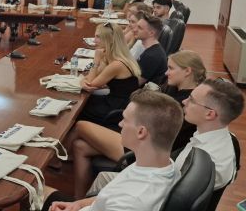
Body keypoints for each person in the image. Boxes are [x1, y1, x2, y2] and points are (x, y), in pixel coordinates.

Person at [70, 50, 206, 197]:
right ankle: (79, 198)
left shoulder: (186, 103)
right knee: (80, 146)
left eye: (171, 68)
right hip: (140, 136)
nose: (167, 73)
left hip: (144, 149)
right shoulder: (173, 87)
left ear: (187, 71)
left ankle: (57, 157)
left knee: (81, 125)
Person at [44, 90, 184, 211]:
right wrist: (78, 204)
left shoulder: (131, 202)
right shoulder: (164, 165)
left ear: (141, 132)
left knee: (34, 191)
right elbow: (109, 197)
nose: (120, 124)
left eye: (125, 120)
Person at [78, 23, 141, 130]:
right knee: (84, 103)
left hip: (117, 108)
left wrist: (96, 60)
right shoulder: (113, 57)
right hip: (116, 101)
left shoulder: (117, 64)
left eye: (98, 37)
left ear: (110, 40)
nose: (94, 40)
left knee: (79, 110)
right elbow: (91, 79)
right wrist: (85, 80)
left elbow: (89, 84)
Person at [133, 12, 168, 85]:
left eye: (139, 28)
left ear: (151, 33)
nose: (134, 30)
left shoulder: (151, 56)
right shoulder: (151, 50)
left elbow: (136, 83)